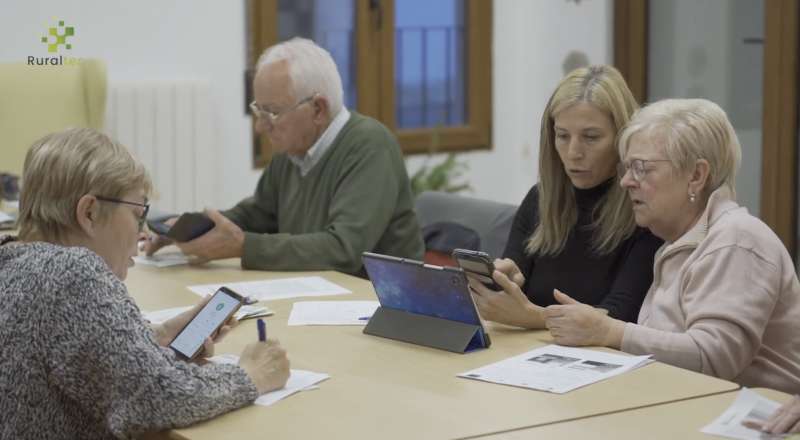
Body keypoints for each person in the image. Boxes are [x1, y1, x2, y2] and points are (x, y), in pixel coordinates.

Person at [0, 128, 290, 439]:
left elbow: (68, 349)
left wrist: (156, 336)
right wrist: (251, 375)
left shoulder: (12, 258)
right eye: (138, 215)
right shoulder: (71, 272)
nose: (143, 233)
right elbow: (161, 397)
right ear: (89, 212)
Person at [542, 98, 800, 395]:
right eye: (627, 168)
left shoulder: (736, 240)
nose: (626, 182)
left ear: (696, 176)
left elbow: (712, 358)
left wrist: (609, 331)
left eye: (641, 168)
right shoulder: (677, 241)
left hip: (749, 420)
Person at [145, 37, 424, 275]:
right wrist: (188, 227)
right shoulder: (293, 148)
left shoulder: (370, 145)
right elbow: (258, 214)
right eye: (259, 111)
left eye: (273, 112)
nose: (260, 126)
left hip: (375, 307)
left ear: (317, 109)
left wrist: (243, 246)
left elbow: (343, 250)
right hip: (321, 297)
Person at [469, 65, 662, 329]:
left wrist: (535, 317)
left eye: (591, 137)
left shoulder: (646, 209)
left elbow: (621, 316)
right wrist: (509, 280)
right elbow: (515, 293)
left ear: (624, 138)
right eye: (562, 136)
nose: (573, 152)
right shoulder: (540, 199)